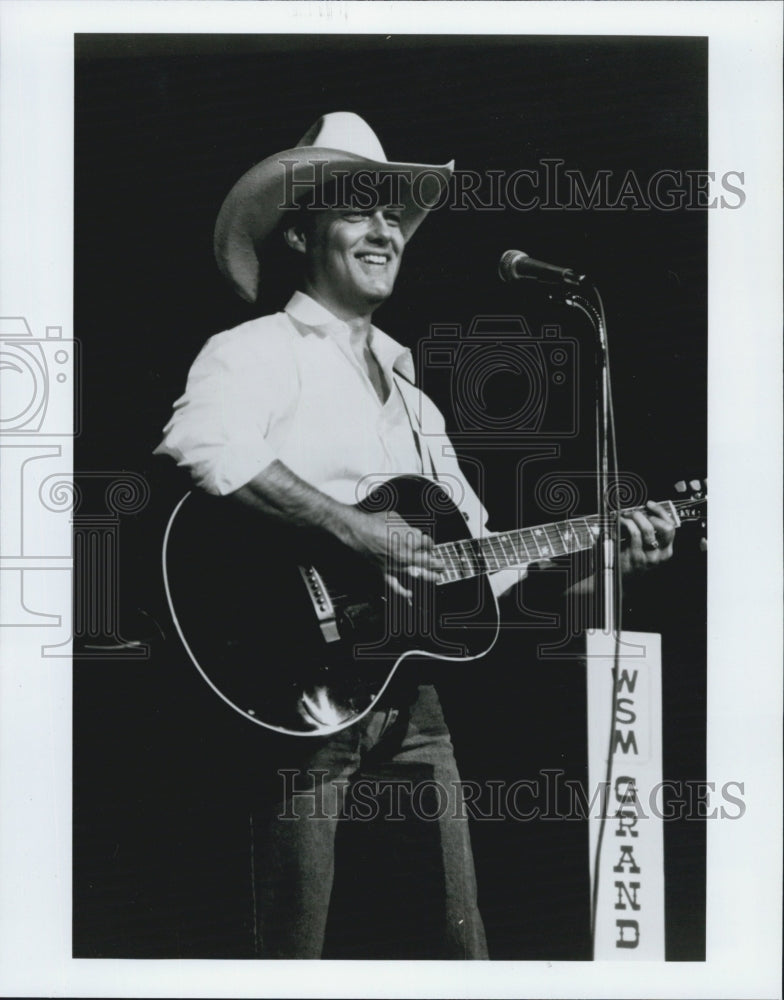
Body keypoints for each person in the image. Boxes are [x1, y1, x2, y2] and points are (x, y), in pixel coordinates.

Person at [155, 112, 676, 958]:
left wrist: (610, 559)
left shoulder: (415, 396)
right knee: (288, 951)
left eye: (394, 213)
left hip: (411, 704)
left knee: (457, 944)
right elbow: (203, 447)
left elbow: (481, 567)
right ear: (300, 232)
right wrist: (358, 532)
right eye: (359, 208)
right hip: (294, 686)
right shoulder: (256, 349)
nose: (385, 227)